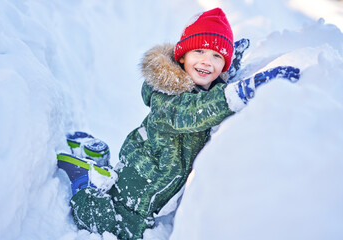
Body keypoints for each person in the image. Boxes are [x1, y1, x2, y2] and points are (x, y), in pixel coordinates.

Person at [57, 8, 300, 239]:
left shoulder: (208, 86)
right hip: (138, 185)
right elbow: (190, 112)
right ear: (182, 56)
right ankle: (84, 179)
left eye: (217, 56)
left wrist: (229, 71)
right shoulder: (166, 96)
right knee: (106, 224)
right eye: (199, 52)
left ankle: (100, 162)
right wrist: (238, 93)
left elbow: (208, 93)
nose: (207, 61)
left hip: (157, 189)